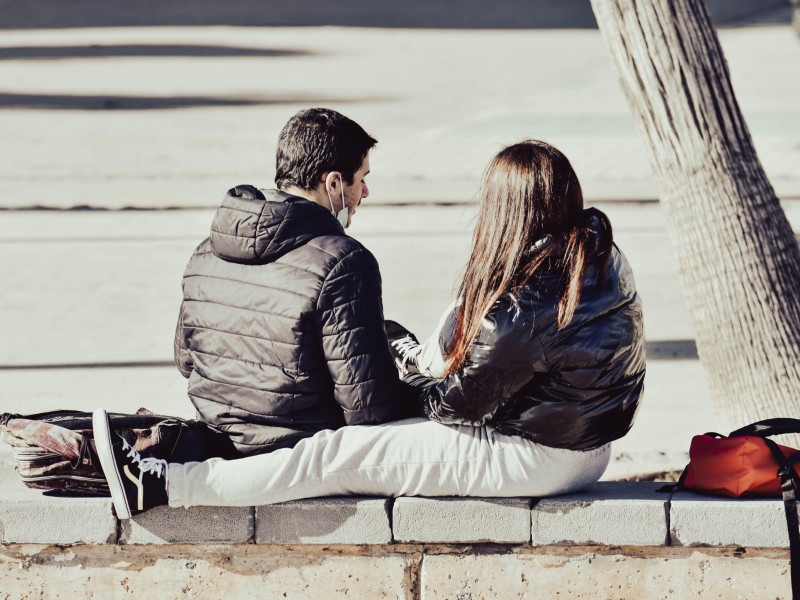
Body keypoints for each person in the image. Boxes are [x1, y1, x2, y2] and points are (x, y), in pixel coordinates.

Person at [93, 140, 645, 519]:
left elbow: (454, 408)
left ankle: (163, 486)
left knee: (337, 455)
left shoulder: (522, 309)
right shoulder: (594, 256)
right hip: (584, 444)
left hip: (537, 457)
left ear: (507, 211)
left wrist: (414, 375)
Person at [168, 107, 414, 462]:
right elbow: (368, 406)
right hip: (300, 453)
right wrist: (419, 386)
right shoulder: (344, 260)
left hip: (216, 442)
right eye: (360, 179)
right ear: (332, 184)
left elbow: (187, 362)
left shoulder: (207, 251)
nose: (365, 191)